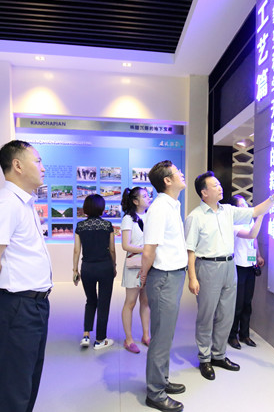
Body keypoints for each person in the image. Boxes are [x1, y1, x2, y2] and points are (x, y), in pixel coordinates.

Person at [0, 140, 53, 412]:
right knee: (13, 390)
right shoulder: (5, 204)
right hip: (16, 307)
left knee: (27, 382)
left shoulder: (23, 203)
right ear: (17, 165)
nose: (42, 167)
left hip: (32, 305)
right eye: (37, 161)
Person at [184, 171, 274, 381]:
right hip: (208, 266)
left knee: (226, 313)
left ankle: (218, 355)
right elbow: (190, 250)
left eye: (219, 184)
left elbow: (256, 211)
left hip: (229, 265)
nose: (220, 187)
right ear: (204, 192)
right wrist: (192, 277)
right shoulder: (195, 217)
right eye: (214, 185)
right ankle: (204, 358)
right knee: (206, 315)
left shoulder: (229, 211)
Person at [139, 160, 187, 412]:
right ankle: (155, 393)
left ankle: (162, 380)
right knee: (161, 336)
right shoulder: (159, 208)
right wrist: (143, 276)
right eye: (178, 172)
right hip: (164, 277)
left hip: (173, 276)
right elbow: (149, 250)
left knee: (165, 334)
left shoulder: (171, 205)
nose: (182, 174)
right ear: (167, 180)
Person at [72, 194, 116, 350]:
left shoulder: (80, 226)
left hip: (87, 268)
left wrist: (75, 270)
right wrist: (114, 266)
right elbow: (112, 249)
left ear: (86, 208)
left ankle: (86, 336)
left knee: (90, 301)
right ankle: (100, 340)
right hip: (105, 267)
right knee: (104, 303)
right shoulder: (107, 225)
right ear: (101, 208)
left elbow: (77, 250)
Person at [227, 195, 264, 350]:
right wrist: (261, 215)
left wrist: (258, 255)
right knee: (237, 303)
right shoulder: (234, 223)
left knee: (247, 303)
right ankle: (232, 335)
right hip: (238, 266)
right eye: (241, 205)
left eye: (245, 204)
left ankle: (244, 334)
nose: (246, 207)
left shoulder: (249, 221)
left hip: (249, 265)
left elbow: (253, 240)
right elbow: (251, 234)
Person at [119, 187, 152, 354]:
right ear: (135, 201)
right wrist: (145, 249)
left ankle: (146, 336)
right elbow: (126, 245)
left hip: (149, 263)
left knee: (146, 302)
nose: (148, 198)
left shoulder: (151, 216)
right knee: (130, 302)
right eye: (144, 196)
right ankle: (129, 339)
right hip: (134, 265)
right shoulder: (128, 219)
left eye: (148, 195)